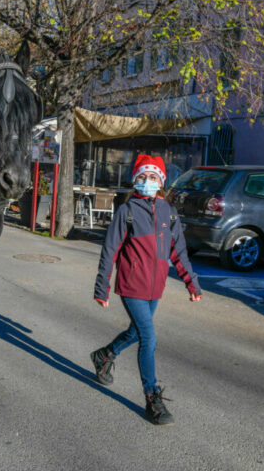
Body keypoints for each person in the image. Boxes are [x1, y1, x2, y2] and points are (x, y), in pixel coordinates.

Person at [91, 154, 202, 425]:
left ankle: (105, 355)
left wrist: (192, 282)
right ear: (135, 181)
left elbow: (179, 252)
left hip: (156, 287)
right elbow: (110, 250)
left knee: (135, 332)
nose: (148, 181)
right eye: (142, 177)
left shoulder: (169, 212)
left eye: (153, 177)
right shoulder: (127, 212)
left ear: (161, 182)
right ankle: (153, 398)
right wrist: (102, 287)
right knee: (149, 338)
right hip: (131, 285)